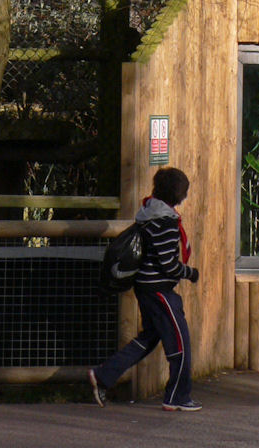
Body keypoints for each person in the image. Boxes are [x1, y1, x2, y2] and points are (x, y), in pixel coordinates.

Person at [89, 165, 202, 412]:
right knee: (180, 343)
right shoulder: (166, 222)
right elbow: (169, 265)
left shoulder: (148, 214)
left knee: (148, 339)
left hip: (146, 288)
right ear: (178, 195)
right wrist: (190, 273)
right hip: (159, 290)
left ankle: (103, 375)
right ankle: (177, 396)